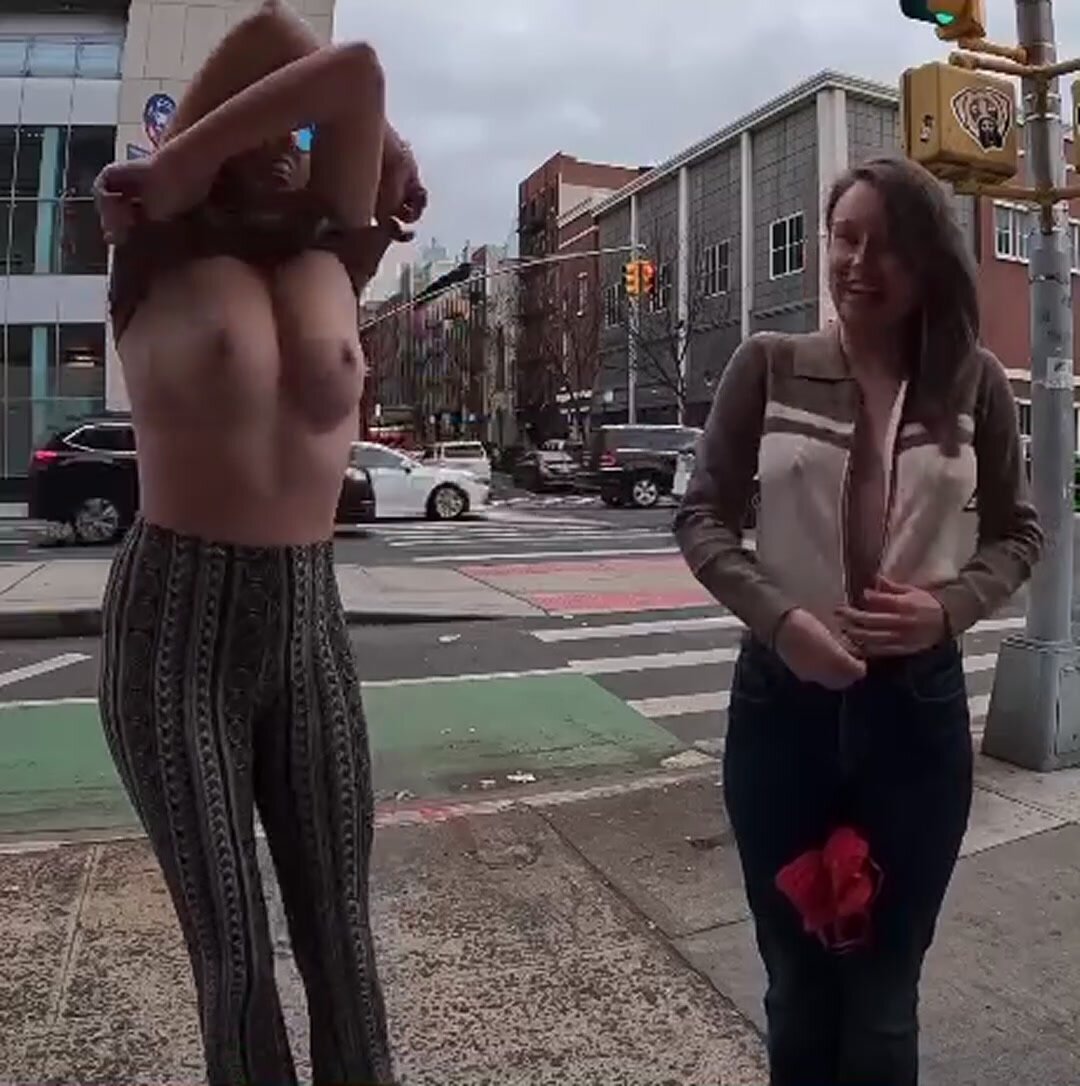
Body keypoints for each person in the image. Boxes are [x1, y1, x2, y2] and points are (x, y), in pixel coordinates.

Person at [93, 2, 424, 1082]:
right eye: (264, 132)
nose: (289, 147)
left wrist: (393, 150)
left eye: (300, 132)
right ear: (214, 149)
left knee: (344, 943)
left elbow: (352, 68)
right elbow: (275, 35)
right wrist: (175, 164)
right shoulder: (150, 249)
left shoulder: (340, 252)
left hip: (309, 618)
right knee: (232, 958)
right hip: (173, 624)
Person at [675, 155, 1042, 1086]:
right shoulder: (769, 365)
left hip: (916, 716)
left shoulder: (975, 384)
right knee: (797, 986)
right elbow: (702, 518)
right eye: (845, 238)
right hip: (780, 710)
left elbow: (1019, 534)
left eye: (887, 246)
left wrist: (946, 609)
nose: (858, 264)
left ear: (929, 263)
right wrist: (780, 620)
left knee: (883, 1001)